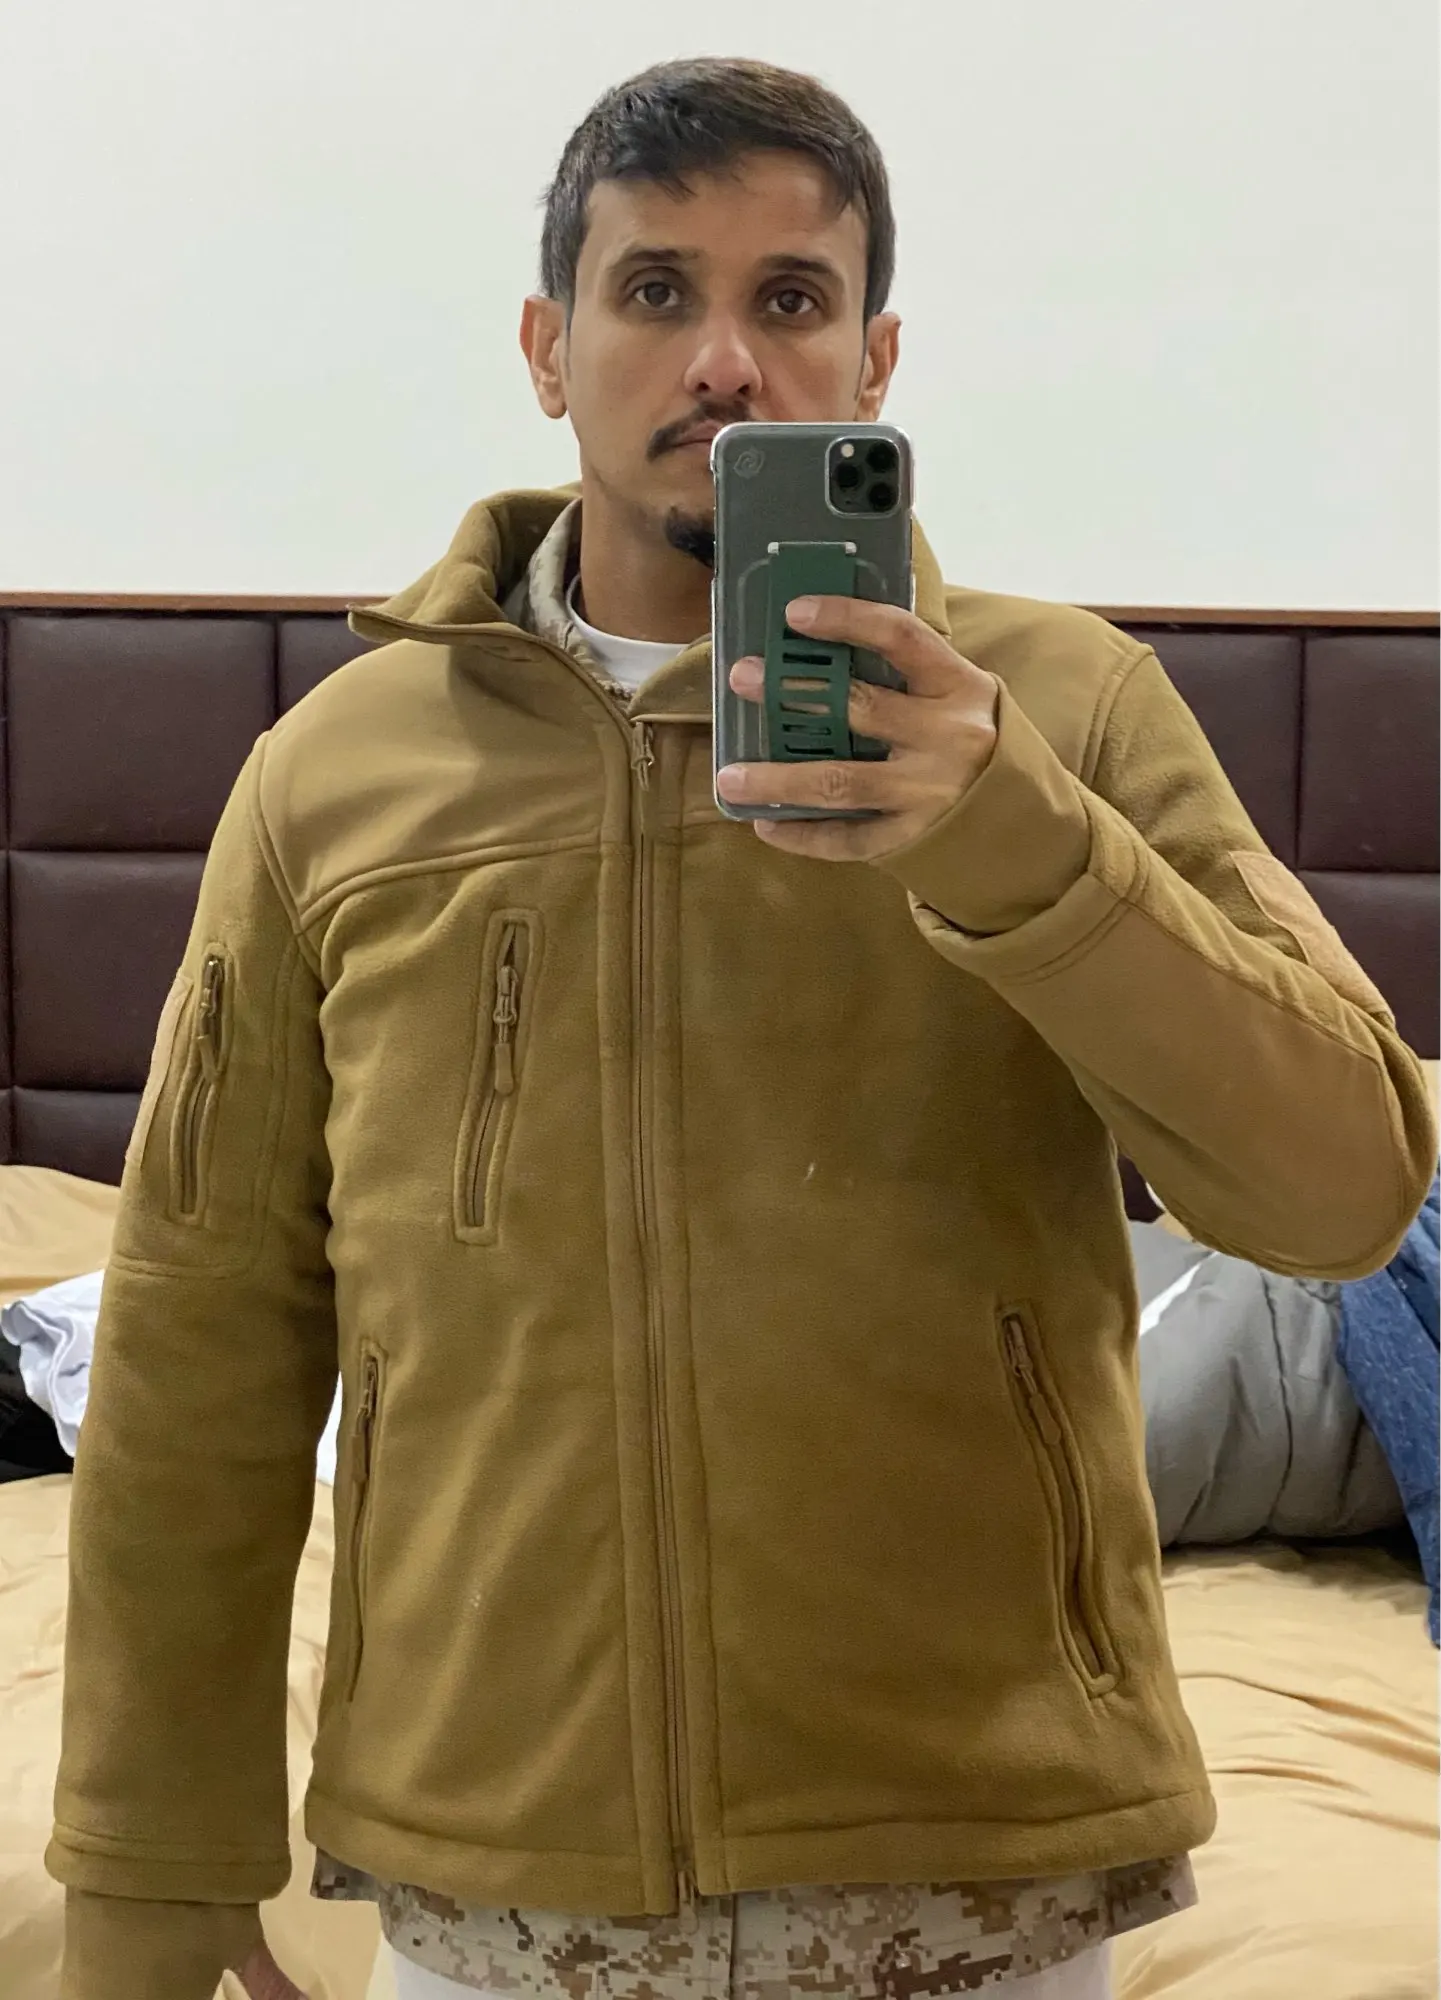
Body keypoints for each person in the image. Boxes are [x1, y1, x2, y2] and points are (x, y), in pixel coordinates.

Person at [50, 57, 1436, 2000]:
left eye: (791, 299)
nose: (725, 362)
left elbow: (1349, 1189)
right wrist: (149, 1864)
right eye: (654, 291)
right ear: (549, 348)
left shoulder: (1066, 710)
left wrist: (1017, 838)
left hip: (972, 1865)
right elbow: (200, 1335)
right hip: (498, 1864)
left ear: (875, 360)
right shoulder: (335, 777)